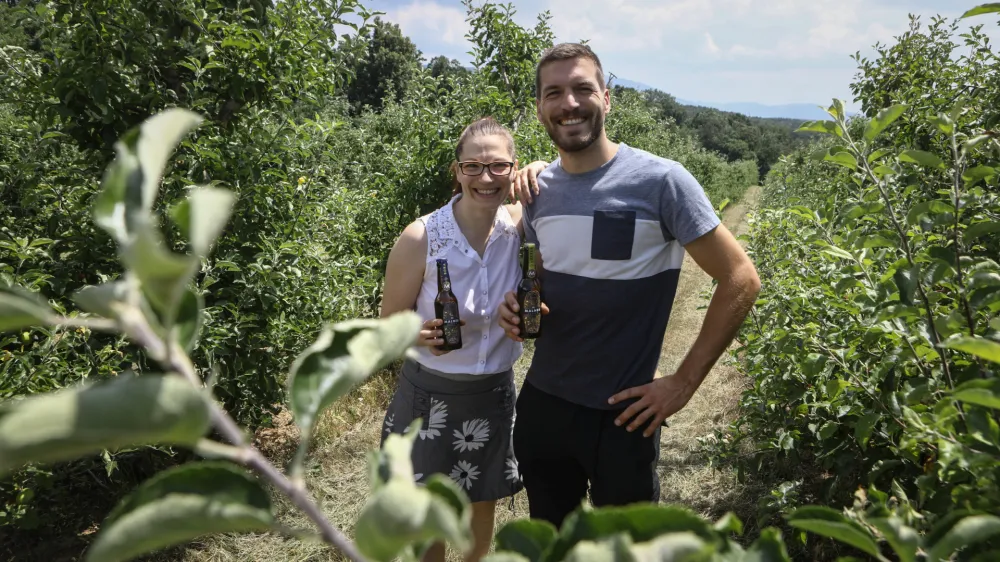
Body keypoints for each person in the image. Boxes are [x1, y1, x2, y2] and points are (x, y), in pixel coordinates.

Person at [498, 43, 762, 528]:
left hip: (623, 416)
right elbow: (542, 280)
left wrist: (683, 383)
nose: (569, 103)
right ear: (539, 107)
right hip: (542, 405)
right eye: (554, 92)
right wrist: (519, 307)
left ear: (607, 97)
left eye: (582, 89)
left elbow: (741, 278)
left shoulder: (662, 182)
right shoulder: (537, 191)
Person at [379, 117, 528, 562]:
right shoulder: (421, 237)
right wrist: (416, 337)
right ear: (456, 172)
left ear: (513, 170)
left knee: (482, 503)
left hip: (493, 394)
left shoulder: (519, 226)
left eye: (499, 167)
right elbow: (387, 326)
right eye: (473, 167)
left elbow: (551, 176)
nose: (486, 178)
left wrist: (537, 167)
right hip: (430, 398)